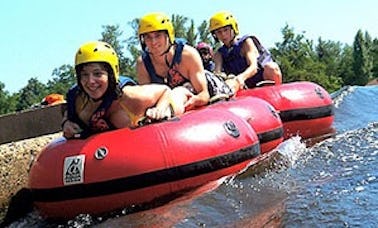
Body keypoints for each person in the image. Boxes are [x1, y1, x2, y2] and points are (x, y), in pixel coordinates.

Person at [61, 41, 183, 139]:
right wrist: (66, 123)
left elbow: (165, 90)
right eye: (84, 75)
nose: (90, 81)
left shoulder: (130, 96)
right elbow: (67, 111)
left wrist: (160, 109)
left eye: (98, 74)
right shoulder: (77, 98)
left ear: (111, 75)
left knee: (177, 97)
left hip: (153, 110)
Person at [136, 12, 232, 110]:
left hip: (198, 92)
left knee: (181, 91)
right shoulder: (143, 64)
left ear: (168, 34)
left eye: (158, 35)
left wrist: (195, 100)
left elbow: (204, 94)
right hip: (165, 106)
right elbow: (148, 101)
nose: (153, 42)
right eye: (148, 37)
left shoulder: (187, 55)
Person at [209, 11, 282, 93]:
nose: (223, 35)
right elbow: (217, 73)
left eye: (226, 30)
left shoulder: (246, 42)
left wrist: (240, 78)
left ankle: (277, 95)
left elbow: (253, 67)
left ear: (233, 28)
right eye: (219, 32)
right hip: (241, 86)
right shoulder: (219, 54)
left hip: (260, 80)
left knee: (271, 67)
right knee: (229, 82)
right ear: (215, 35)